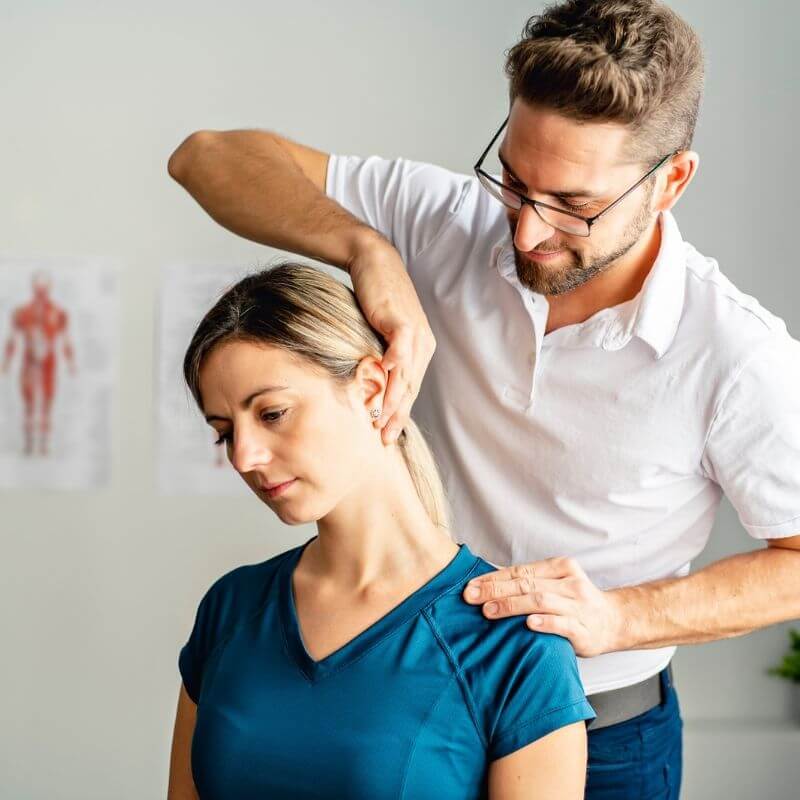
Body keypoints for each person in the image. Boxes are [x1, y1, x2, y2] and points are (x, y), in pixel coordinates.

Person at [167, 1, 800, 796]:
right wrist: (364, 248)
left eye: (573, 204)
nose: (528, 231)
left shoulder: (737, 355)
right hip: (396, 690)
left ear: (671, 179)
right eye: (513, 180)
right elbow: (207, 157)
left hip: (603, 726)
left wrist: (619, 619)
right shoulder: (442, 219)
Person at [166, 262, 596, 799]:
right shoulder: (229, 609)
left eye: (272, 413)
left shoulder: (511, 643)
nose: (245, 456)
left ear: (371, 388)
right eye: (224, 433)